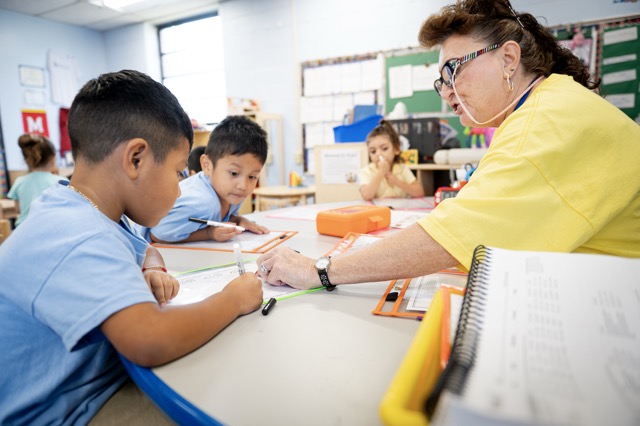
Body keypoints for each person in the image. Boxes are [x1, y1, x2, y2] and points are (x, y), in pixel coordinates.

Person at [256, 0, 640, 291]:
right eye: (442, 81)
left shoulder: (545, 123)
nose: (447, 95)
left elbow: (451, 239)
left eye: (453, 70)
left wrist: (317, 270)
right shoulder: (550, 105)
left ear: (509, 58)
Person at [0, 70, 263, 424]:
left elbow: (142, 245)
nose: (178, 188)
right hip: (65, 412)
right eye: (176, 173)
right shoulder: (78, 233)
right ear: (136, 159)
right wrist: (235, 299)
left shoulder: (86, 209)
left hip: (91, 386)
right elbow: (150, 339)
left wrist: (151, 266)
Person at [144, 115, 270, 244]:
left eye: (252, 177)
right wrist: (209, 233)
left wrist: (237, 220)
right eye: (233, 173)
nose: (243, 185)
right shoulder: (203, 204)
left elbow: (216, 219)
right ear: (207, 165)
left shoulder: (232, 193)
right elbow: (158, 234)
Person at [7, 134, 68, 227]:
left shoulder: (19, 181)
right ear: (53, 158)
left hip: (23, 230)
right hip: (52, 229)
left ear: (26, 159)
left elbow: (18, 210)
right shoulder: (61, 181)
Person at [358, 119, 425, 201]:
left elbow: (419, 192)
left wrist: (397, 182)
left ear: (396, 149)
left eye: (384, 148)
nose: (378, 154)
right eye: (373, 151)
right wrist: (381, 172)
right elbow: (366, 195)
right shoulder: (367, 171)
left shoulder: (402, 169)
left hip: (400, 210)